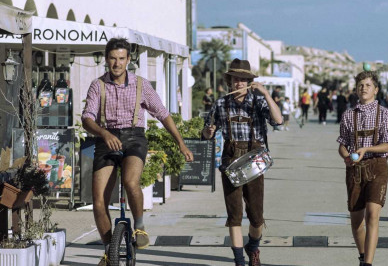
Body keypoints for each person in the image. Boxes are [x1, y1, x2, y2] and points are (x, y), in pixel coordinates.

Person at [81, 38, 194, 266]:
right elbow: (87, 119)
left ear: (128, 60)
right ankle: (108, 250)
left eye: (121, 59)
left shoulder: (141, 85)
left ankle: (139, 228)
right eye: (113, 58)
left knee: (131, 182)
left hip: (134, 139)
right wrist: (104, 134)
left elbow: (163, 114)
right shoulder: (98, 85)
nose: (117, 64)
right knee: (99, 201)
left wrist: (181, 143)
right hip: (107, 138)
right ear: (106, 59)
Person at [202, 58, 283, 266]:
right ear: (230, 81)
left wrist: (265, 93)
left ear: (249, 82)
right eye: (236, 79)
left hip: (255, 163)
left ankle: (253, 246)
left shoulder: (258, 101)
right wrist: (208, 132)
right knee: (234, 215)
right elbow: (206, 133)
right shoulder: (221, 103)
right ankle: (239, 260)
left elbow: (279, 120)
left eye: (243, 79)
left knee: (256, 217)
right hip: (231, 164)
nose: (239, 83)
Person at [337, 71, 388, 266]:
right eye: (361, 85)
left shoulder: (385, 114)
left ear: (376, 89)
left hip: (377, 167)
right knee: (356, 222)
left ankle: (368, 264)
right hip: (355, 170)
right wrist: (346, 156)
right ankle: (363, 256)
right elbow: (342, 144)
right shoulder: (348, 115)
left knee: (372, 214)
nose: (364, 88)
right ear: (356, 89)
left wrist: (367, 149)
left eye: (368, 85)